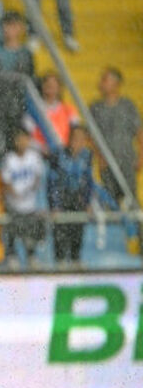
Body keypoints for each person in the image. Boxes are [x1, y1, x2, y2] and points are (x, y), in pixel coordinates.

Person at [89, 67, 143, 209]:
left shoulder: (127, 105)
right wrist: (99, 157)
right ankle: (114, 231)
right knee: (110, 199)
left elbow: (139, 132)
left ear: (116, 83)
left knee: (130, 197)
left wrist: (141, 156)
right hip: (107, 162)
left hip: (127, 161)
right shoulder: (95, 107)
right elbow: (91, 136)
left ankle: (137, 230)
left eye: (105, 79)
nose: (101, 83)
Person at [47, 124, 93, 268]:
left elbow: (88, 181)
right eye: (75, 138)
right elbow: (52, 181)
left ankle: (75, 259)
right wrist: (55, 204)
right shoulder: (59, 155)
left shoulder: (86, 156)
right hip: (62, 199)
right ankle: (60, 260)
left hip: (77, 199)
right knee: (61, 230)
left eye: (81, 139)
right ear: (69, 139)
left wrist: (88, 202)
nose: (78, 142)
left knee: (78, 229)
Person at [2, 128, 47, 270]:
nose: (21, 142)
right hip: (14, 205)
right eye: (18, 139)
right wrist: (15, 193)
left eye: (24, 139)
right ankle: (12, 257)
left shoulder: (34, 157)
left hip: (29, 204)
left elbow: (38, 177)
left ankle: (31, 257)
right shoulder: (9, 158)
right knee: (13, 232)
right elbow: (6, 182)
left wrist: (29, 190)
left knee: (30, 234)